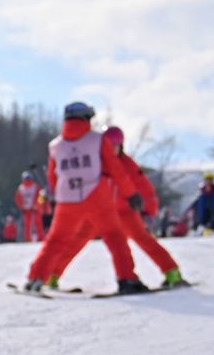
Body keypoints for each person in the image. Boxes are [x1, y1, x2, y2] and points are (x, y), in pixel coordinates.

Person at [18, 102, 138, 292]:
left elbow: (52, 175)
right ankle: (127, 279)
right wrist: (131, 194)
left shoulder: (55, 145)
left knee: (55, 241)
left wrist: (56, 196)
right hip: (95, 196)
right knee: (115, 237)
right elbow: (114, 168)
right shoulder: (97, 140)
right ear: (86, 118)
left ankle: (36, 278)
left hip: (66, 200)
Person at [101, 126, 188, 289]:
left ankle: (172, 272)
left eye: (115, 146)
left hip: (127, 212)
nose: (112, 150)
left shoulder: (127, 165)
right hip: (105, 213)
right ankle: (127, 278)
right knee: (112, 246)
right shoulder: (98, 164)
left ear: (121, 146)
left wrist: (150, 211)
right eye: (108, 147)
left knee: (145, 240)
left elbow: (145, 189)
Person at [15, 169, 45, 242]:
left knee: (30, 224)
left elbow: (18, 199)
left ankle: (31, 238)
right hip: (31, 209)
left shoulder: (22, 187)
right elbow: (40, 197)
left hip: (31, 209)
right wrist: (37, 205)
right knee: (35, 224)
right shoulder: (33, 187)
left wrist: (22, 207)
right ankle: (38, 237)